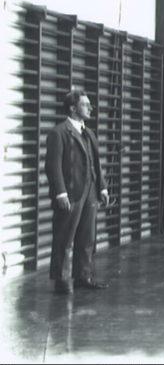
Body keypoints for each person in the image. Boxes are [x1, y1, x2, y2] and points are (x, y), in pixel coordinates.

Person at [45, 89, 111, 295]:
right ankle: (62, 280)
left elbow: (96, 164)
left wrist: (102, 187)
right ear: (73, 108)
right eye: (85, 104)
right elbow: (53, 166)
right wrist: (60, 193)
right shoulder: (59, 133)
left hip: (90, 191)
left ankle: (83, 276)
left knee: (87, 236)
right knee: (64, 237)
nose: (90, 108)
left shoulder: (89, 133)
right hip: (71, 192)